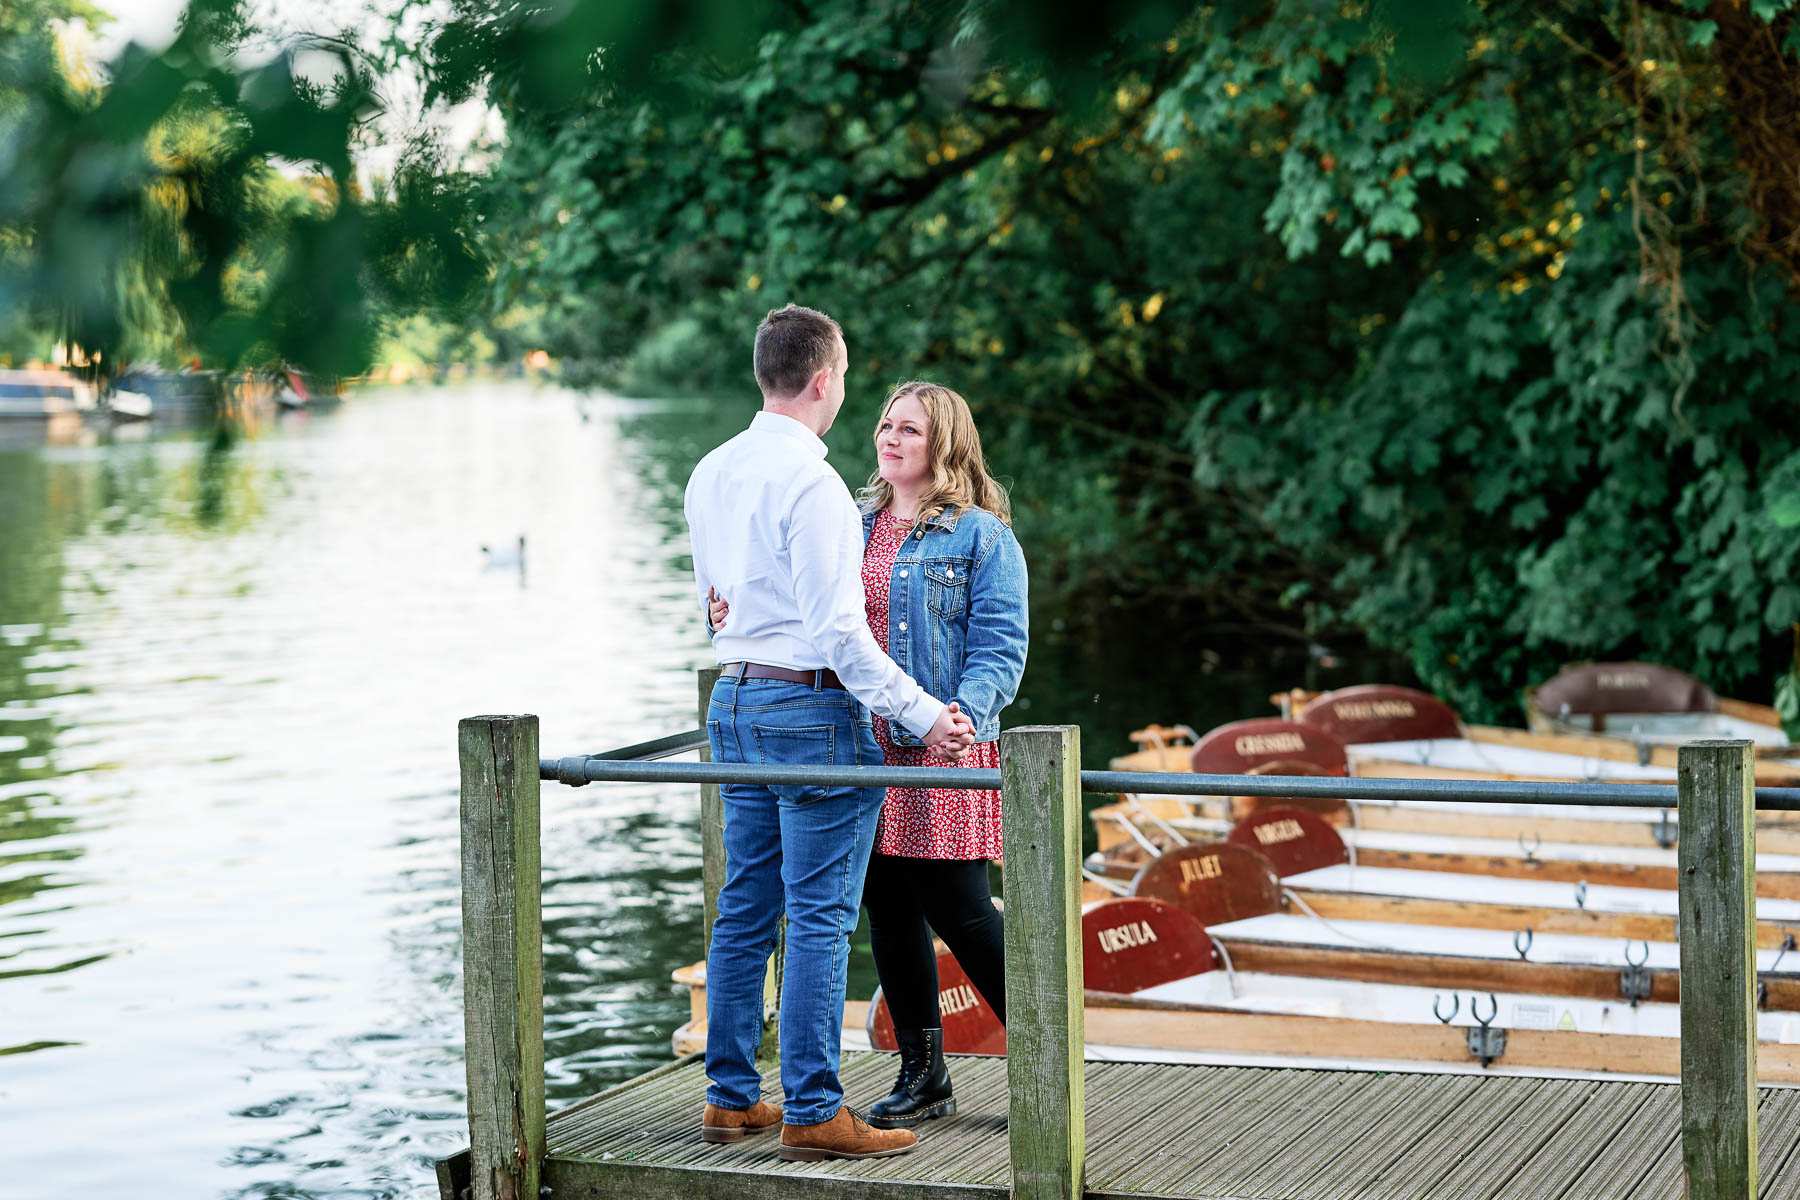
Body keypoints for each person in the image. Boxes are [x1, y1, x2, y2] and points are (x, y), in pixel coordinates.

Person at [684, 305, 975, 1163]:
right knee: (817, 915)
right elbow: (843, 637)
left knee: (745, 906)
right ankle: (813, 1107)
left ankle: (731, 1098)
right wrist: (927, 717)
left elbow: (713, 605)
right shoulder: (813, 486)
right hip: (809, 710)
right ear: (824, 381)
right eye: (845, 377)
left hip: (733, 701)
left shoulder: (710, 471)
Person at [711, 380, 1027, 1130]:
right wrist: (724, 608)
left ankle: (1046, 1049)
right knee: (887, 905)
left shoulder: (982, 536)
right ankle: (924, 1073)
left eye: (909, 430)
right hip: (857, 739)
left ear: (944, 444)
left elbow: (1001, 650)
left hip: (942, 741)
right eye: (886, 425)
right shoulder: (851, 520)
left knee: (962, 907)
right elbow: (793, 602)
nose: (890, 438)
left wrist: (963, 718)